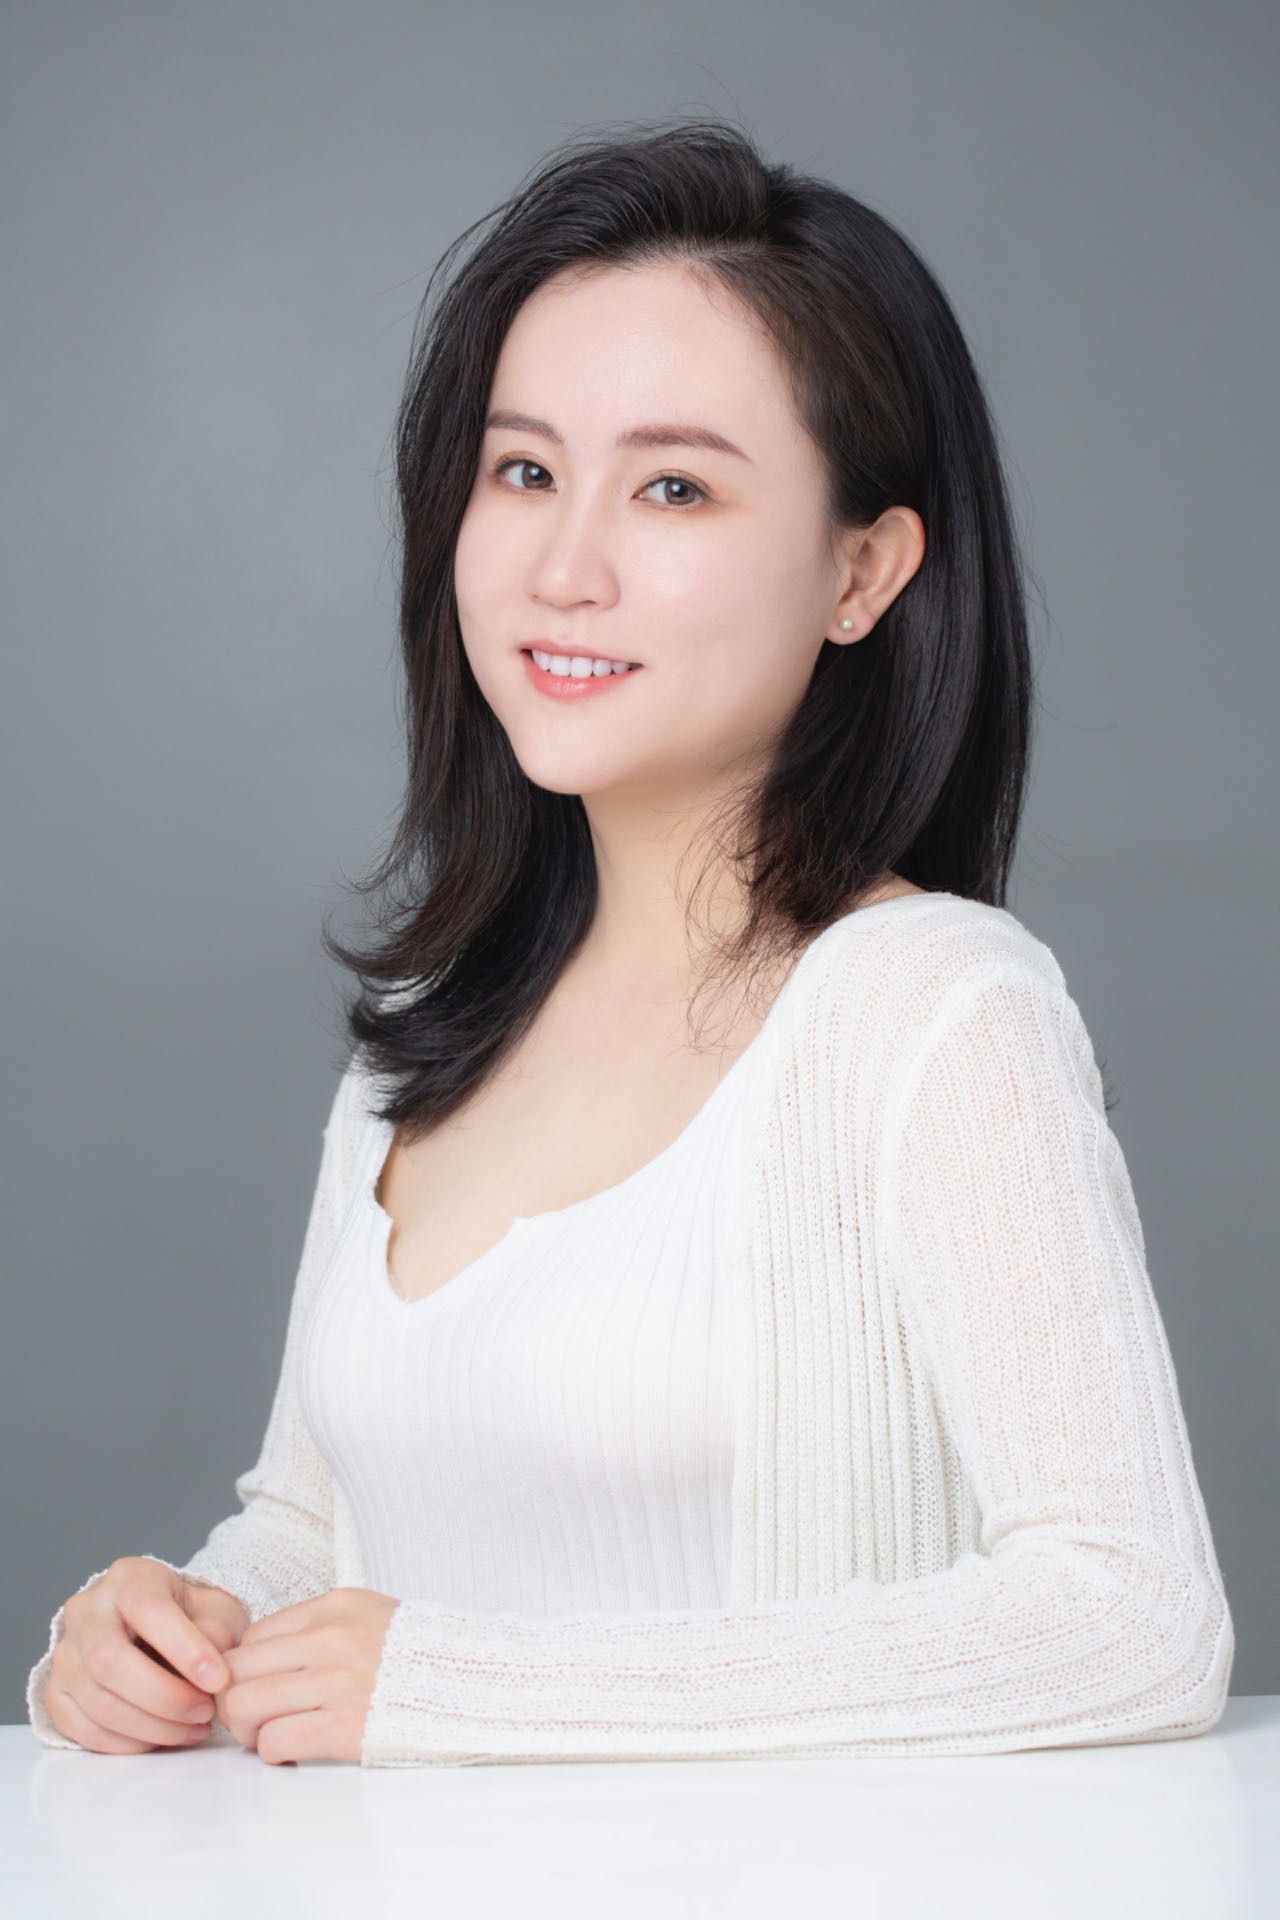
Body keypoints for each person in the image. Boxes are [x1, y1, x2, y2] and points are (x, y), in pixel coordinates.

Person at [28, 118, 1232, 1768]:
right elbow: (322, 1532)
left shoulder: (934, 1014)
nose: (562, 567)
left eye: (674, 487)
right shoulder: (430, 1027)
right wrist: (179, 1630)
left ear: (864, 572)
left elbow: (1131, 1617)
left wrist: (465, 1690)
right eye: (524, 472)